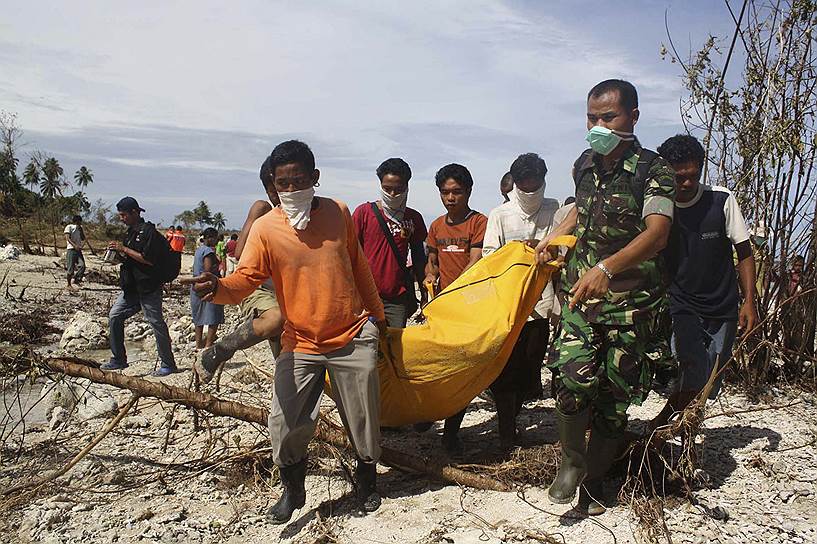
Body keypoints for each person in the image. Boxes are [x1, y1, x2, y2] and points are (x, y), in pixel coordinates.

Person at [184, 141, 387, 522]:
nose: (290, 190)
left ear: (315, 178)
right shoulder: (265, 229)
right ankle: (293, 490)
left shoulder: (339, 211)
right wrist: (219, 288)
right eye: (282, 184)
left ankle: (367, 484)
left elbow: (358, 265)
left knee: (363, 419)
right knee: (286, 421)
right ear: (272, 185)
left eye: (298, 181)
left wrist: (377, 315)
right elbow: (245, 280)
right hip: (300, 340)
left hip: (350, 335)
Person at [536, 79, 675, 515]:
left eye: (607, 117)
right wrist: (554, 236)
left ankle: (595, 484)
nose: (598, 125)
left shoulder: (655, 171)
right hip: (583, 296)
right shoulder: (585, 163)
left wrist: (607, 267)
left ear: (632, 117)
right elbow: (582, 206)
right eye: (591, 118)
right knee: (572, 380)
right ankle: (572, 462)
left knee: (615, 400)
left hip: (632, 304)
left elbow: (658, 234)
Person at [648, 134, 758, 432]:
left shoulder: (720, 199)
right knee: (692, 366)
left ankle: (684, 422)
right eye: (679, 177)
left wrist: (749, 301)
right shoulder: (659, 208)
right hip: (681, 302)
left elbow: (744, 251)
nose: (686, 183)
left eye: (693, 176)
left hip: (723, 305)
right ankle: (666, 424)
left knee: (712, 380)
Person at [483, 153, 560, 450]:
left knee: (531, 366)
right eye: (524, 187)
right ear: (515, 184)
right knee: (507, 370)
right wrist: (519, 252)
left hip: (542, 306)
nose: (530, 193)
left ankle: (513, 419)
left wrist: (546, 252)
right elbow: (490, 256)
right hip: (509, 307)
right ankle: (505, 434)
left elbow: (565, 249)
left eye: (535, 186)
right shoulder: (500, 215)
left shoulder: (555, 210)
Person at [193, 157, 284, 383]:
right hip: (257, 287)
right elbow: (241, 254)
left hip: (288, 292)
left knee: (287, 363)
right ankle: (218, 350)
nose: (283, 196)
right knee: (276, 319)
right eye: (276, 191)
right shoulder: (263, 210)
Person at [423, 163, 488, 455]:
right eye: (445, 192)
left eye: (457, 192)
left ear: (468, 191)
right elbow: (432, 262)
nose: (451, 198)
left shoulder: (479, 223)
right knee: (434, 363)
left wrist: (455, 292)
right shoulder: (436, 226)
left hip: (469, 307)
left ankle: (451, 432)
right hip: (440, 308)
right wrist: (430, 275)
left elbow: (475, 262)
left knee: (461, 371)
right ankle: (426, 413)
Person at [101, 197, 178, 377]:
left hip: (149, 287)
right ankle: (118, 358)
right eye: (120, 215)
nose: (121, 218)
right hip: (131, 288)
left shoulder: (148, 232)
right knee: (114, 316)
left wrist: (124, 249)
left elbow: (148, 259)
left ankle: (168, 363)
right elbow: (131, 258)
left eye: (124, 215)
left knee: (156, 323)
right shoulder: (130, 233)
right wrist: (118, 255)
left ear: (135, 212)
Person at [353, 158, 428, 328]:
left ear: (407, 187)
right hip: (365, 297)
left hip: (396, 298)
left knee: (394, 348)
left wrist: (424, 295)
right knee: (368, 347)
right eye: (387, 189)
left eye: (398, 189)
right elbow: (350, 253)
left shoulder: (413, 218)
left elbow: (419, 259)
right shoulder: (363, 213)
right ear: (380, 185)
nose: (393, 195)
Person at [191, 228, 225, 349]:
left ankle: (198, 345)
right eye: (215, 238)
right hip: (207, 285)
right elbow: (208, 270)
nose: (217, 241)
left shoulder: (199, 250)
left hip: (196, 285)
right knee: (213, 316)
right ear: (210, 238)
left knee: (198, 317)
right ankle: (208, 345)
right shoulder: (208, 252)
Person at [64, 215, 89, 288]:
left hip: (78, 251)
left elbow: (83, 238)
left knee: (82, 266)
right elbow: (67, 238)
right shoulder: (69, 227)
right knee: (70, 269)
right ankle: (68, 284)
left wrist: (82, 231)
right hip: (71, 249)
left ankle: (76, 279)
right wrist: (74, 246)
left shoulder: (79, 228)